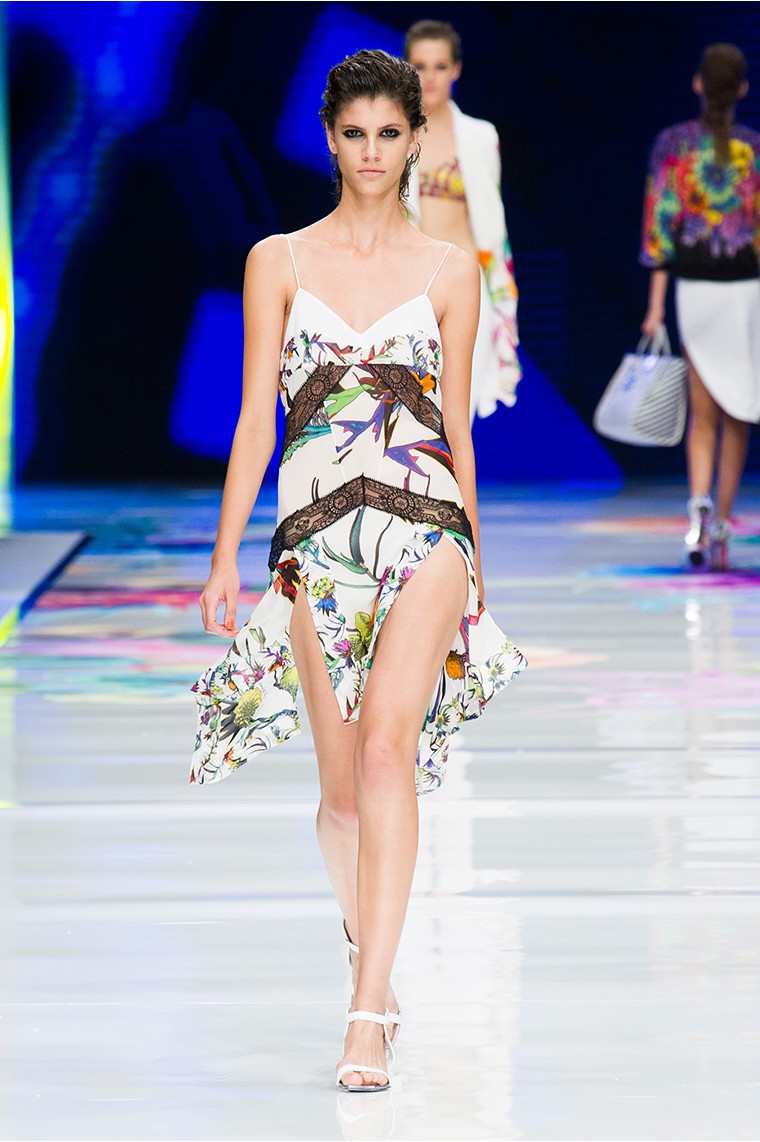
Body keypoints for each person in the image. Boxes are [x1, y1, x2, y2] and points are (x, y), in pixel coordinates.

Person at [190, 49, 526, 1092]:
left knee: (386, 752)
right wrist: (225, 554)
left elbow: (456, 429)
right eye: (355, 134)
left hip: (426, 530)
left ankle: (369, 1009)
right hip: (315, 537)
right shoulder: (278, 261)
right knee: (340, 795)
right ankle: (364, 940)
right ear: (330, 140)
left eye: (389, 133)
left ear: (415, 139)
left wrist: (478, 566)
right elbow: (255, 419)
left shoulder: (449, 273)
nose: (372, 152)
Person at [641, 42, 760, 570]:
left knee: (704, 414)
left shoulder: (674, 146)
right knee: (737, 413)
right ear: (742, 89)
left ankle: (698, 514)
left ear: (697, 84)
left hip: (696, 294)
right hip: (745, 295)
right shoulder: (753, 151)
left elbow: (659, 233)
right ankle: (722, 524)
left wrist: (655, 307)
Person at [403, 19, 521, 422]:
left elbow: (490, 220)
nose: (430, 77)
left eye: (440, 66)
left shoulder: (481, 137)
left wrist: (499, 289)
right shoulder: (390, 136)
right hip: (407, 286)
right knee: (409, 415)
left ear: (456, 69)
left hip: (466, 283)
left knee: (458, 414)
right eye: (420, 66)